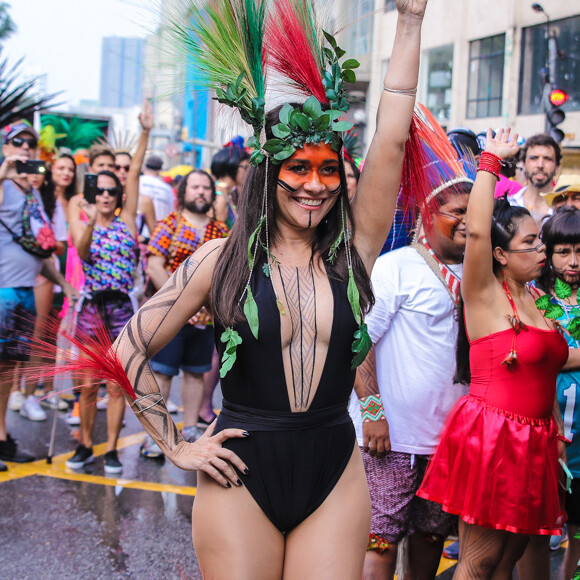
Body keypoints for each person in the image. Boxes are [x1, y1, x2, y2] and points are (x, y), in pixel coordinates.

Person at [92, 0, 430, 576]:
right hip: (241, 471)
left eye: (328, 170)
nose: (315, 185)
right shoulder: (219, 261)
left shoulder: (356, 251)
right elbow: (125, 350)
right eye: (298, 168)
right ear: (268, 172)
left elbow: (392, 140)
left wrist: (410, 22)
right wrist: (178, 443)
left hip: (332, 469)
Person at [417, 129, 568, 579]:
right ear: (499, 254)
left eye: (541, 242)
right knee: (479, 561)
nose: (542, 251)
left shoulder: (537, 302)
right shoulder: (484, 294)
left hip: (537, 439)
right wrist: (489, 163)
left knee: (506, 561)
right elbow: (478, 229)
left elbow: (555, 361)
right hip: (495, 438)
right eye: (530, 245)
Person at [351, 173, 472, 579]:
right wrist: (372, 412)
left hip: (449, 442)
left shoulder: (481, 274)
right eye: (458, 212)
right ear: (427, 213)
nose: (468, 221)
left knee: (431, 535)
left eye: (476, 213)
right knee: (380, 540)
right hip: (391, 437)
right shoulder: (395, 266)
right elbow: (359, 340)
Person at [65, 105, 152, 474]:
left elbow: (132, 172)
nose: (105, 196)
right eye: (99, 191)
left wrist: (145, 132)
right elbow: (81, 252)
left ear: (118, 196)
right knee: (86, 386)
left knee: (117, 385)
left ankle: (112, 448)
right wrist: (87, 219)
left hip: (121, 308)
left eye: (111, 191)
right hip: (90, 308)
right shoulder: (79, 212)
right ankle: (85, 443)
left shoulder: (128, 221)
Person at [0, 122, 77, 470]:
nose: (26, 149)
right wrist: (4, 173)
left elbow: (39, 249)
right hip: (3, 289)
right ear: (5, 146)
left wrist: (65, 282)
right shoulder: (3, 185)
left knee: (9, 367)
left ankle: (1, 436)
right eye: (18, 142)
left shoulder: (32, 195)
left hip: (25, 288)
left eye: (31, 144)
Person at [140, 169, 228, 458]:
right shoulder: (170, 224)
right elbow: (154, 265)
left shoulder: (219, 230)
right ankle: (155, 437)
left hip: (205, 319)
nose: (201, 192)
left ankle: (190, 429)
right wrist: (182, 303)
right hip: (170, 314)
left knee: (195, 373)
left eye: (206, 188)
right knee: (163, 375)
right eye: (195, 187)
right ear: (183, 192)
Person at [525, 207, 580, 579]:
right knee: (536, 529)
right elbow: (540, 358)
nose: (573, 261)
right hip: (545, 430)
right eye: (563, 251)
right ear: (548, 253)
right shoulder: (533, 297)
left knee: (577, 528)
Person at [508, 133, 561, 224]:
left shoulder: (562, 210)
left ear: (557, 167)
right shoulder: (509, 204)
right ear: (523, 164)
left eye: (547, 159)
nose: (540, 165)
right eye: (534, 158)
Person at [210, 145, 251, 229]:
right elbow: (218, 234)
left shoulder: (226, 193)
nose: (249, 173)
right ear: (231, 166)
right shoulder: (220, 198)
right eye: (246, 167)